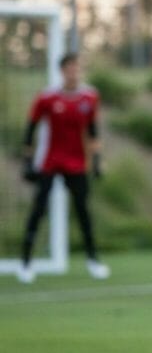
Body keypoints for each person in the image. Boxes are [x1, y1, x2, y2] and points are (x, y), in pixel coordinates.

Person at [16, 52, 109, 284]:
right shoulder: (47, 98)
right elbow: (31, 128)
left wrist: (97, 160)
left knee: (83, 210)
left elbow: (93, 131)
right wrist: (27, 160)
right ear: (62, 71)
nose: (73, 72)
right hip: (49, 160)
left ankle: (93, 260)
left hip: (76, 162)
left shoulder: (89, 97)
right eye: (69, 68)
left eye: (77, 68)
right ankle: (26, 263)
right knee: (39, 209)